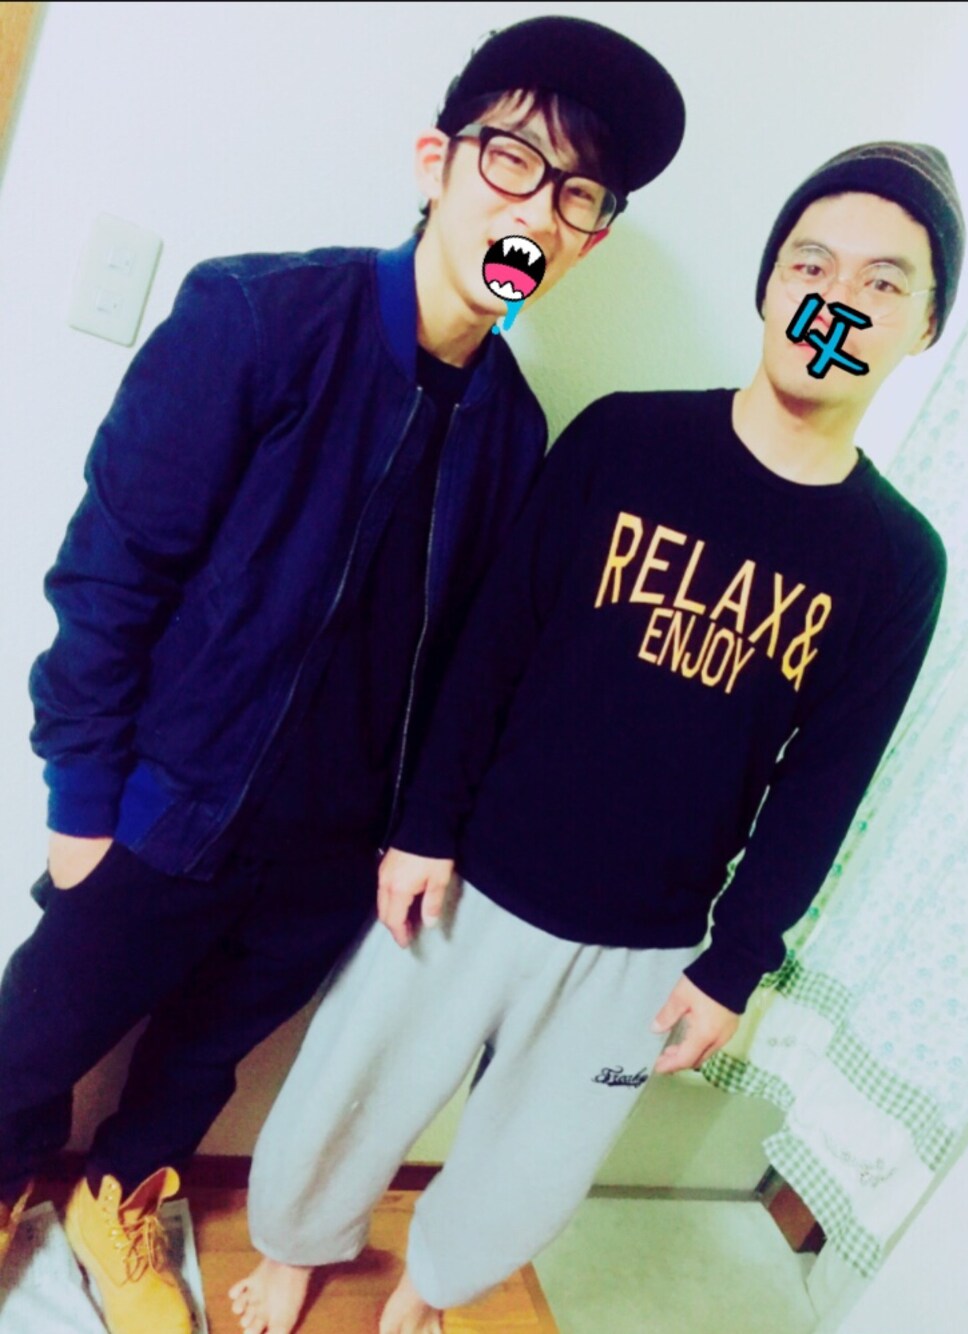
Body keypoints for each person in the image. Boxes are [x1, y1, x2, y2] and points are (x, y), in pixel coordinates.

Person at [0, 15, 687, 1334]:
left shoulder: (516, 432)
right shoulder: (257, 318)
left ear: (589, 240)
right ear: (438, 162)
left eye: (578, 194)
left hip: (329, 853)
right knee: (38, 1029)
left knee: (201, 1057)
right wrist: (83, 799)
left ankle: (115, 1201)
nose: (535, 208)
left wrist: (408, 834)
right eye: (513, 159)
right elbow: (110, 570)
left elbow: (471, 662)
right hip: (162, 805)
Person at [233, 142, 964, 1334]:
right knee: (349, 1087)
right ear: (771, 285)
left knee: (533, 1158)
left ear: (923, 325)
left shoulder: (896, 560)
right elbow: (493, 641)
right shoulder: (626, 440)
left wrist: (734, 964)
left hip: (644, 936)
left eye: (882, 282)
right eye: (810, 263)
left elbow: (825, 783)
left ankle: (430, 1287)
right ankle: (295, 1243)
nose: (837, 298)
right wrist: (423, 826)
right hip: (474, 872)